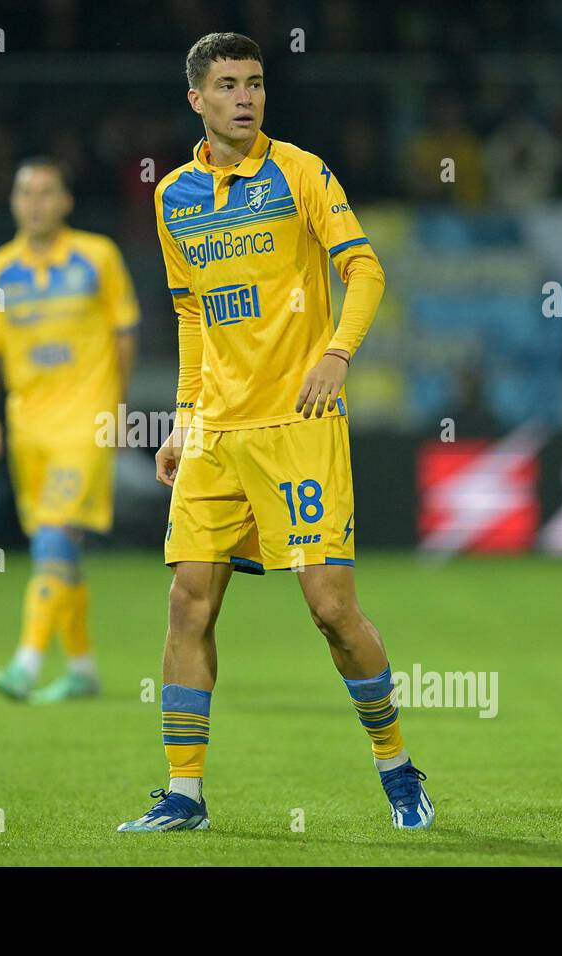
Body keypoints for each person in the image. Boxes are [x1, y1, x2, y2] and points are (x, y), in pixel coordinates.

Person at [119, 33, 434, 832]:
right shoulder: (174, 198)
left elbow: (366, 270)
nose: (245, 97)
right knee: (188, 603)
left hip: (299, 424)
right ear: (196, 98)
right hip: (216, 433)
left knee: (331, 611)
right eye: (227, 85)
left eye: (255, 83)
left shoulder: (300, 171)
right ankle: (184, 794)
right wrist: (183, 418)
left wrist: (335, 354)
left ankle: (395, 764)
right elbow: (191, 314)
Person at [0, 157, 139, 704]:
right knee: (63, 548)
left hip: (85, 422)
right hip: (27, 427)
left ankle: (27, 661)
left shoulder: (97, 256)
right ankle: (83, 668)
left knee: (52, 535)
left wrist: (117, 405)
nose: (34, 202)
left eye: (46, 192)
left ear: (66, 201)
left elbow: (125, 332)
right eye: (24, 193)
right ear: (13, 203)